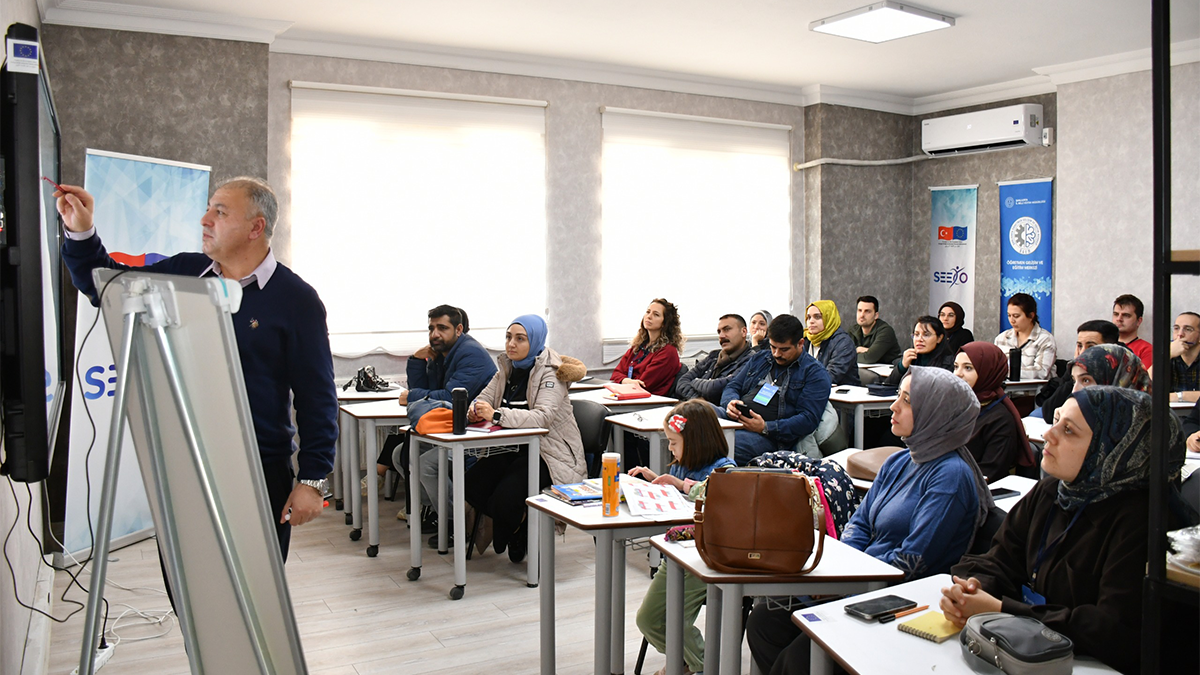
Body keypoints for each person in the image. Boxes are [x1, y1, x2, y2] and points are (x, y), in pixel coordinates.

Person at [58, 179, 336, 564]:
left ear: (256, 227)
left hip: (256, 467)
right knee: (188, 584)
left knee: (254, 585)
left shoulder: (297, 300)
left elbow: (316, 397)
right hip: (181, 461)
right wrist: (81, 230)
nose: (205, 220)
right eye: (208, 209)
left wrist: (312, 480)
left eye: (219, 212)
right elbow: (107, 286)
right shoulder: (186, 272)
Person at [746, 367, 993, 675]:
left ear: (936, 413)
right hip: (860, 579)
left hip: (901, 596)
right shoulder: (901, 459)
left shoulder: (951, 476)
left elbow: (913, 560)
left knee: (800, 658)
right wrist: (839, 573)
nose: (894, 406)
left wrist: (848, 583)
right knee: (764, 623)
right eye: (898, 395)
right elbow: (860, 523)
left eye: (907, 400)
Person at [942, 387, 1194, 675]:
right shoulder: (1056, 490)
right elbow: (997, 559)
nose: (1049, 434)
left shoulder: (1147, 521)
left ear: (1114, 449)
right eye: (1057, 420)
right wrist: (973, 588)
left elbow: (1112, 632)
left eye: (1069, 430)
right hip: (1035, 655)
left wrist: (1002, 611)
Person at [463, 315, 586, 562]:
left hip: (548, 454)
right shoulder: (507, 368)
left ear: (536, 341)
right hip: (511, 449)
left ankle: (517, 529)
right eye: (508, 337)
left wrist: (496, 414)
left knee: (505, 498)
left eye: (520, 339)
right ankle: (517, 523)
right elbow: (483, 398)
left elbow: (542, 417)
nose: (511, 344)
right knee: (471, 483)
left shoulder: (551, 373)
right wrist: (475, 410)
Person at [632, 400, 736, 675]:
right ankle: (686, 660)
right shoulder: (681, 465)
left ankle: (704, 666)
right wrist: (657, 484)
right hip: (677, 556)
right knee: (647, 619)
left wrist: (679, 485)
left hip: (706, 559)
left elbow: (714, 496)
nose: (670, 449)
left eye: (674, 442)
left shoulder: (725, 469)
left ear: (696, 442)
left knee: (674, 619)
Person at [389, 305, 497, 534]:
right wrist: (417, 361)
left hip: (475, 437)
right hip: (451, 429)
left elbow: (451, 398)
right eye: (431, 328)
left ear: (458, 329)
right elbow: (427, 392)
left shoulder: (470, 353)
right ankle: (436, 511)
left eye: (442, 328)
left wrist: (412, 396)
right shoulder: (443, 355)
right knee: (400, 454)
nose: (435, 334)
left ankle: (456, 521)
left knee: (426, 465)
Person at [720, 314, 831, 465]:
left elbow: (808, 419)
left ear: (800, 343)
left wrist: (765, 427)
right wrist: (730, 402)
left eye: (784, 349)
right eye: (773, 347)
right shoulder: (761, 358)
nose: (777, 354)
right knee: (694, 414)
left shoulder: (815, 373)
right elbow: (733, 386)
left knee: (718, 443)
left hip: (770, 438)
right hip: (738, 418)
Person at [954, 342, 1035, 482]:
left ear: (988, 372)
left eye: (968, 368)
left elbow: (990, 473)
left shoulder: (1001, 420)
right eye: (956, 367)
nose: (958, 374)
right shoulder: (954, 406)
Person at [1034, 320, 1120, 422]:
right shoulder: (1076, 366)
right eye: (1079, 346)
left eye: (1091, 347)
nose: (1082, 352)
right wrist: (1077, 374)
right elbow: (1049, 413)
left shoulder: (1125, 370)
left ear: (1111, 349)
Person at [610, 299, 684, 396]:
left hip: (649, 400)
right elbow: (615, 374)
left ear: (665, 323)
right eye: (648, 312)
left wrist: (624, 381)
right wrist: (627, 381)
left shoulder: (668, 351)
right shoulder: (638, 346)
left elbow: (643, 385)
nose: (649, 316)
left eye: (656, 314)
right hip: (628, 395)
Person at [674, 314, 754, 404]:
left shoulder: (751, 360)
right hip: (697, 408)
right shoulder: (713, 356)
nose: (721, 336)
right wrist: (698, 400)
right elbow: (682, 382)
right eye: (719, 332)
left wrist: (694, 381)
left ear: (743, 332)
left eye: (727, 329)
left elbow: (714, 388)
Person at [994, 292, 1057, 380]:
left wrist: (1007, 372)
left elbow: (1041, 372)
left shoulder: (1045, 339)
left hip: (1034, 388)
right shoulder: (1001, 338)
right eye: (1009, 315)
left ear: (1031, 316)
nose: (1012, 320)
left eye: (1016, 316)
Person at [884, 315, 954, 386]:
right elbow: (887, 386)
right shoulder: (911, 358)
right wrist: (902, 366)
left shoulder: (947, 364)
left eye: (926, 335)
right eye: (916, 334)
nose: (919, 339)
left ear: (939, 338)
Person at [803, 300, 859, 386]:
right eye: (809, 317)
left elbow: (831, 375)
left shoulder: (843, 342)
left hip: (840, 392)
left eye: (817, 317)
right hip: (813, 389)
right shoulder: (805, 339)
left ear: (829, 318)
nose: (811, 321)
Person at [1154, 311, 1200, 403]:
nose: (1180, 334)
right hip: (1171, 411)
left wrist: (1178, 396)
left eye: (1188, 329)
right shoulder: (1168, 353)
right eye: (1176, 328)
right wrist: (1167, 355)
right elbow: (1145, 386)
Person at [848, 295, 901, 365]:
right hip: (862, 369)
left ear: (876, 315)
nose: (862, 315)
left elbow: (868, 358)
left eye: (867, 311)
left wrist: (855, 352)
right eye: (859, 310)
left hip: (888, 370)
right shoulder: (852, 330)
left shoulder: (886, 331)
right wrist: (861, 351)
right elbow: (842, 354)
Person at [1112, 294, 1152, 367]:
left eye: (1126, 315)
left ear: (1139, 321)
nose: (1119, 319)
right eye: (1116, 314)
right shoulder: (1103, 343)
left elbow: (1145, 374)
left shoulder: (1146, 350)